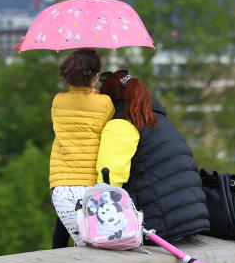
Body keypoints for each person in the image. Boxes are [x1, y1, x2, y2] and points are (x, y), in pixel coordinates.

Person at [95, 69, 209, 241]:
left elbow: (109, 183)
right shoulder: (160, 121)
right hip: (193, 218)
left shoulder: (121, 124)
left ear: (110, 100)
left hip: (161, 227)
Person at [48, 48, 116, 247]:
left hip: (61, 185)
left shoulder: (58, 101)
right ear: (95, 78)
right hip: (91, 187)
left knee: (64, 231)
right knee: (94, 244)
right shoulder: (105, 103)